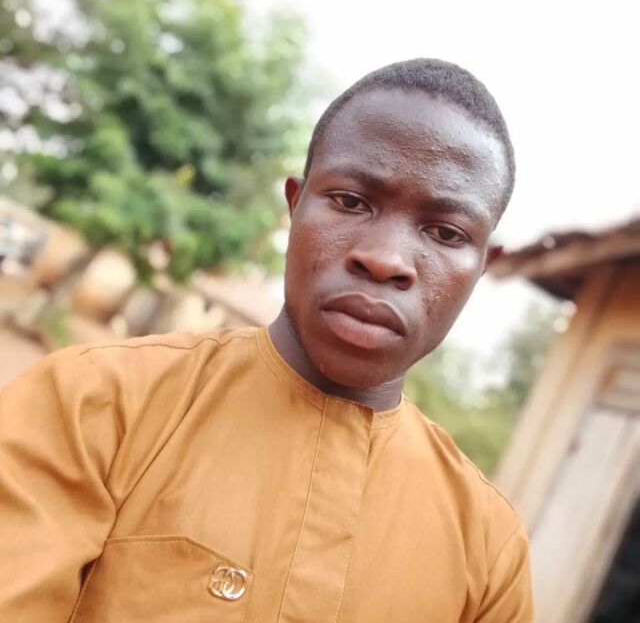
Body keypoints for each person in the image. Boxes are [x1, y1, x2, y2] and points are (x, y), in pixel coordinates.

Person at [0, 58, 533, 622]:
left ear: (482, 266)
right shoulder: (94, 404)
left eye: (445, 233)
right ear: (295, 205)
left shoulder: (488, 553)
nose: (384, 259)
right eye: (351, 201)